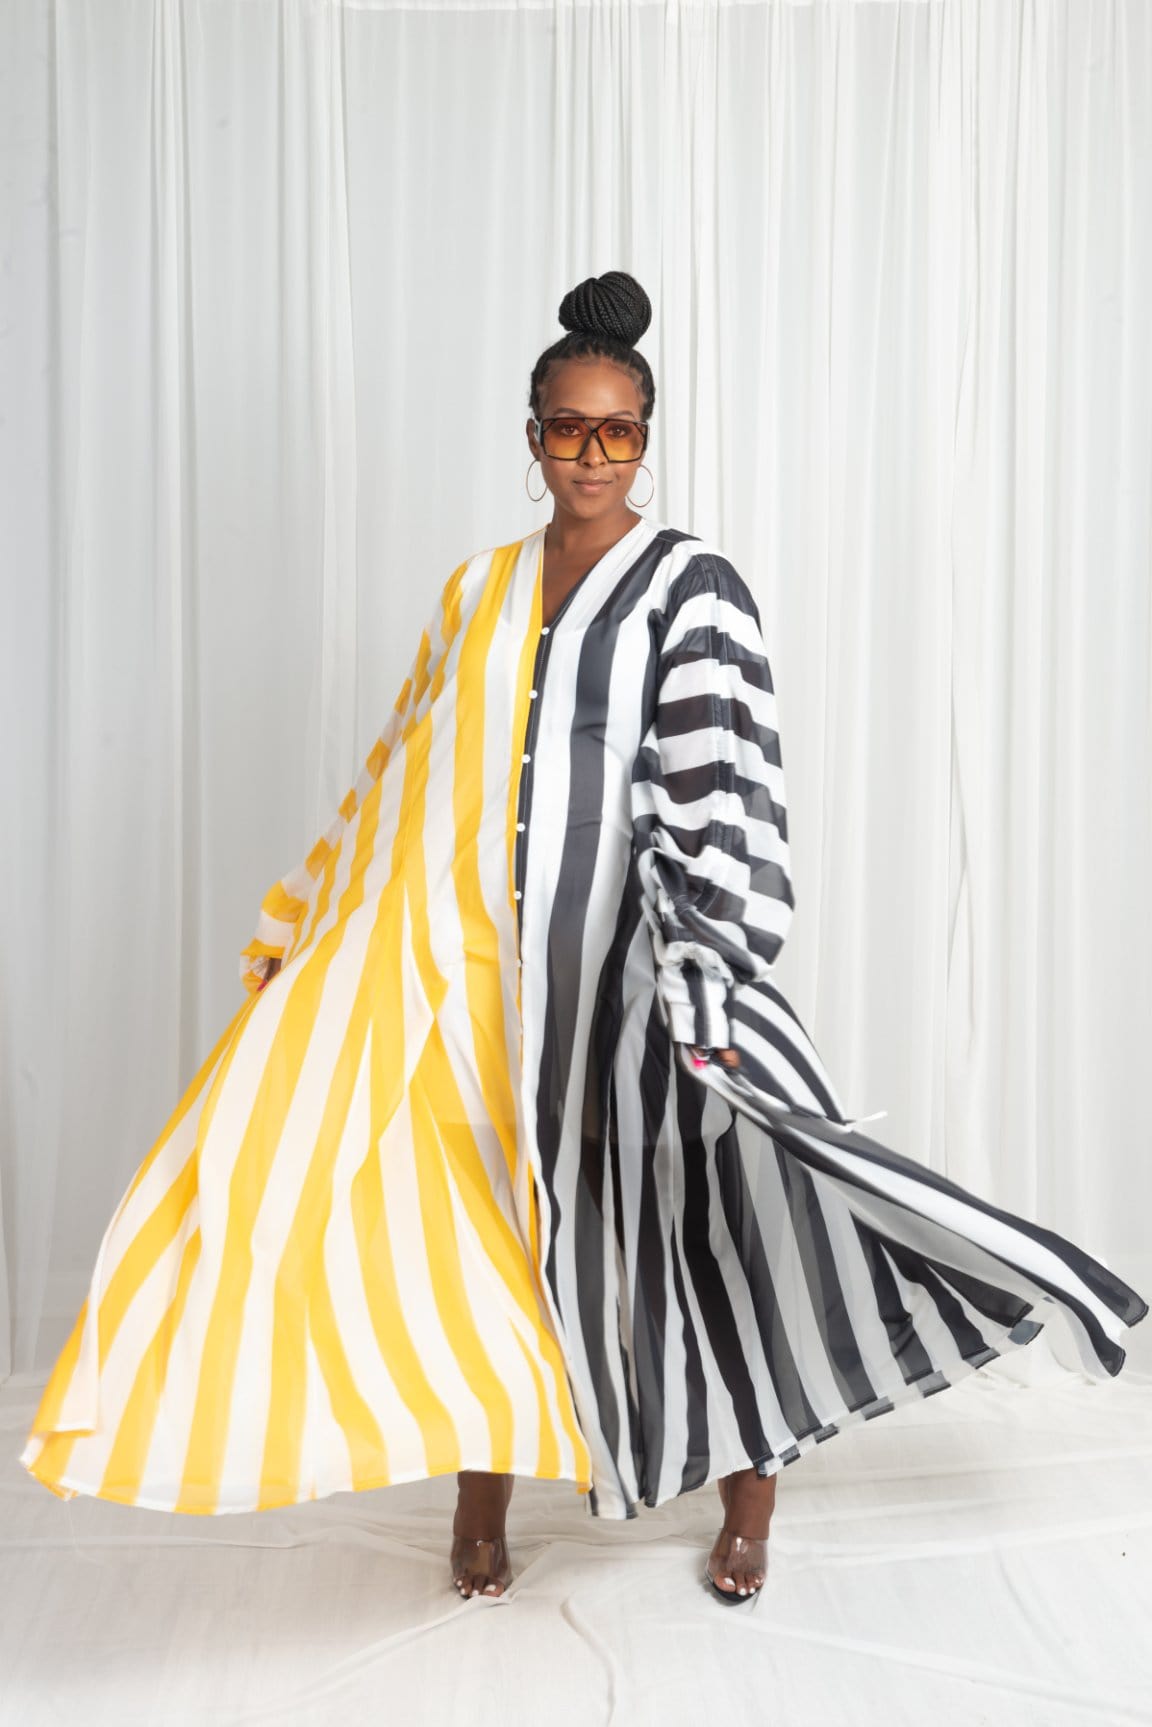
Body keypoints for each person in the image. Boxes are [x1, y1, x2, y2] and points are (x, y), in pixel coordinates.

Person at [21, 270, 1148, 1610]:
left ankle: (749, 1505)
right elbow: (398, 771)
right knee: (477, 1227)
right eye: (569, 427)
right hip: (474, 981)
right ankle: (480, 1501)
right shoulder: (476, 591)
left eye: (618, 431)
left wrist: (705, 969)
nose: (593, 455)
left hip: (637, 976)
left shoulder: (692, 588)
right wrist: (301, 917)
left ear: (645, 439)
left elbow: (724, 784)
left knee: (703, 1220)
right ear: (534, 435)